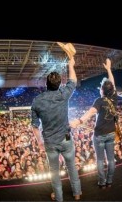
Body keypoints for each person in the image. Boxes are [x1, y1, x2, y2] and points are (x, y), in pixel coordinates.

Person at [31, 54, 82, 202]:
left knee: (55, 172)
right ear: (59, 84)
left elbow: (35, 126)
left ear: (46, 83)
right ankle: (77, 193)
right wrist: (71, 65)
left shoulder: (37, 101)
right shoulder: (63, 94)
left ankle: (59, 198)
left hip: (50, 143)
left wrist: (40, 142)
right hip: (66, 138)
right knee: (72, 167)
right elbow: (73, 81)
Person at [70, 58, 117, 189]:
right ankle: (110, 181)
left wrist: (79, 121)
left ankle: (102, 183)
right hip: (111, 133)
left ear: (102, 90)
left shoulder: (99, 100)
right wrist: (108, 69)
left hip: (100, 135)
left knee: (100, 160)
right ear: (112, 90)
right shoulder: (114, 98)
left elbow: (90, 112)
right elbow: (112, 83)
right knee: (111, 160)